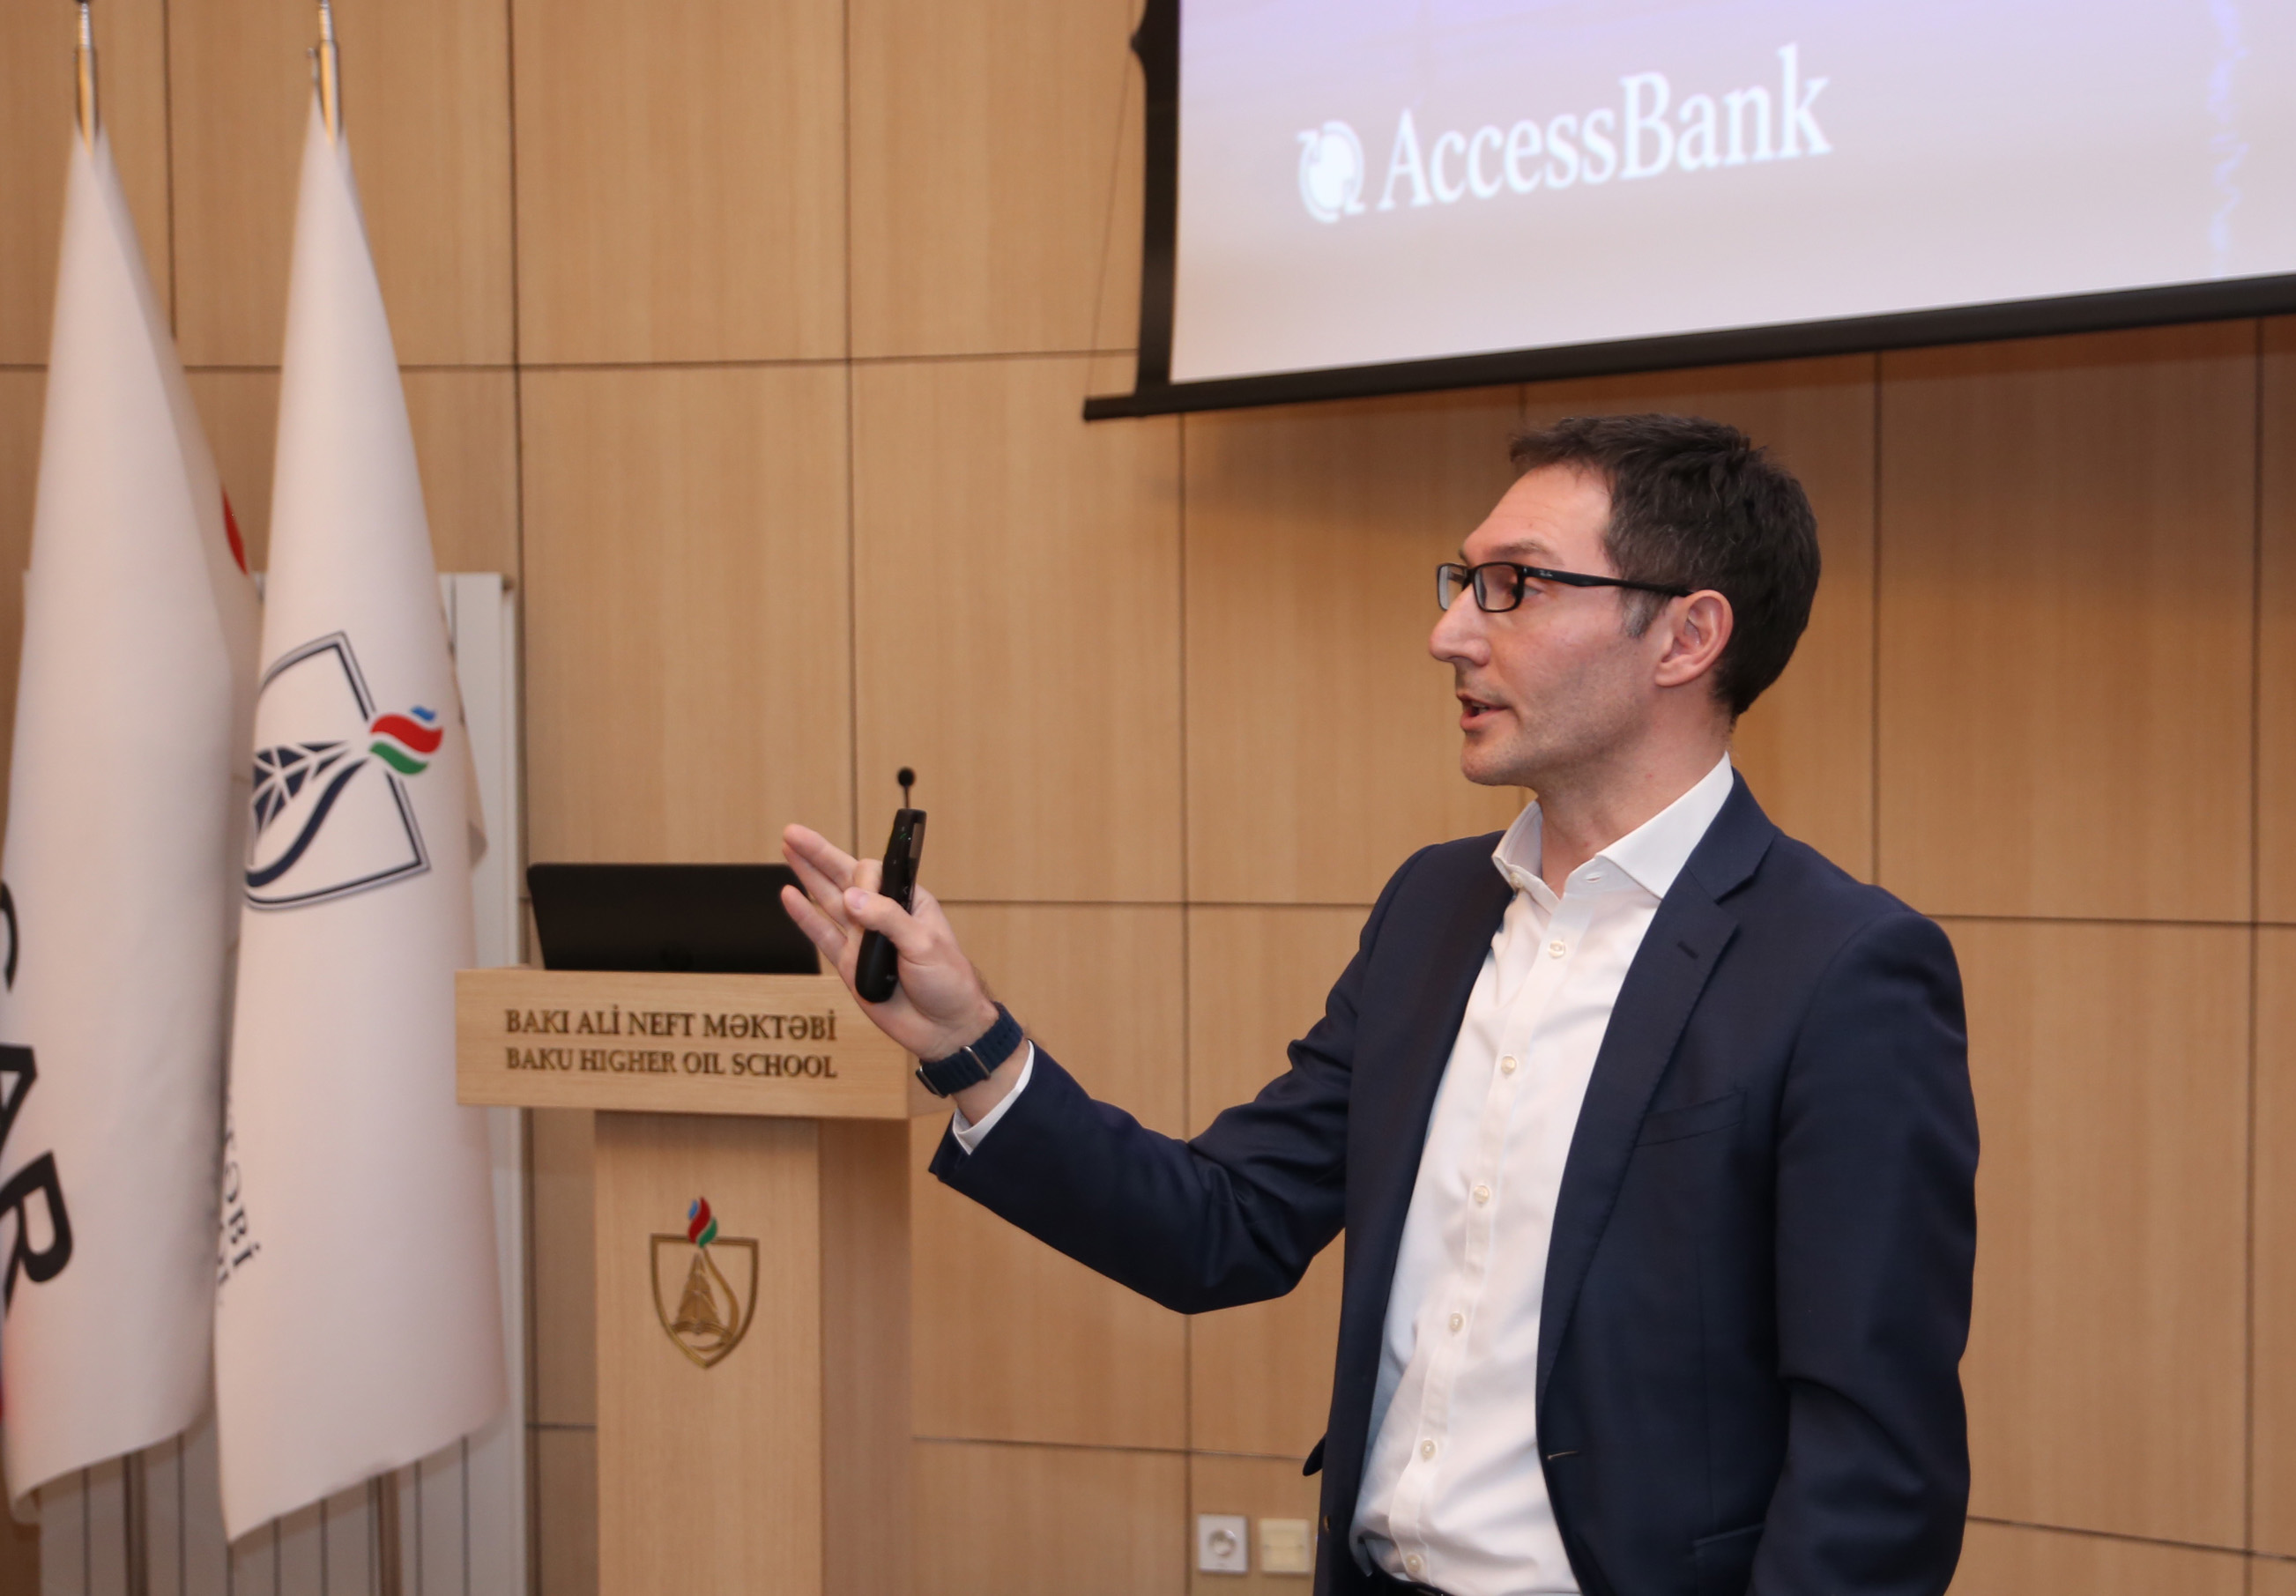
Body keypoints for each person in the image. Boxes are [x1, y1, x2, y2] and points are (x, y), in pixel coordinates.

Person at [780, 413, 1976, 1596]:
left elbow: (1872, 1471)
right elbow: (1225, 1226)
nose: (1448, 634)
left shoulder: (1843, 969)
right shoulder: (1434, 909)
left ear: (1686, 636)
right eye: (1464, 583)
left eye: (1514, 587)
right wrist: (968, 1042)